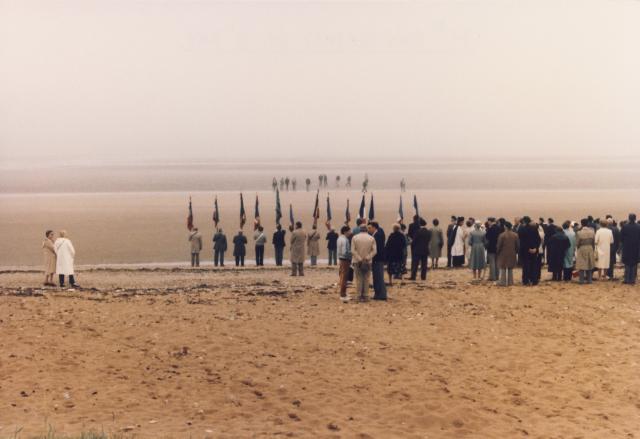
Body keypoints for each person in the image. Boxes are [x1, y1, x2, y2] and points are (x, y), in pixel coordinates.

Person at [351, 225, 377, 301]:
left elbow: (353, 250)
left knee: (358, 278)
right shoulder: (371, 238)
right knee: (366, 278)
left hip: (357, 261)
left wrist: (359, 259)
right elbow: (375, 251)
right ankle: (366, 295)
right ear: (367, 230)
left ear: (360, 230)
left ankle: (359, 295)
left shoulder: (355, 237)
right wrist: (367, 258)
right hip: (368, 261)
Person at [518, 217, 542, 285]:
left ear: (524, 222)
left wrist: (528, 248)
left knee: (526, 266)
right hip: (534, 250)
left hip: (525, 251)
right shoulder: (534, 228)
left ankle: (526, 281)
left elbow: (523, 241)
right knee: (533, 265)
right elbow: (538, 239)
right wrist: (535, 248)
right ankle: (534, 280)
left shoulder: (522, 229)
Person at [368, 221, 387, 300]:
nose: (369, 229)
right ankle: (378, 294)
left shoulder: (377, 235)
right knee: (377, 277)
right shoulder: (378, 233)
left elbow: (377, 249)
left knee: (378, 277)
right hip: (378, 259)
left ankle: (381, 295)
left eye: (370, 228)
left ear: (374, 227)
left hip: (378, 259)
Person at [496, 222, 518, 286]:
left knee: (503, 268)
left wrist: (497, 251)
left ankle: (502, 282)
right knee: (510, 268)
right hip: (512, 253)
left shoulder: (502, 235)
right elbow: (517, 245)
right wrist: (516, 251)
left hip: (503, 253)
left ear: (505, 227)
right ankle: (510, 282)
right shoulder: (515, 235)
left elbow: (499, 245)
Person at [620, 213, 640, 285]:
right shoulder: (638, 227)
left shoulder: (625, 226)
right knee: (634, 263)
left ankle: (627, 279)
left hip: (627, 247)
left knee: (627, 263)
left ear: (629, 218)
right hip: (636, 247)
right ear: (635, 218)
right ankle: (632, 280)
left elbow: (621, 238)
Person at [575, 219, 596, 284]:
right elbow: (593, 242)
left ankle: (581, 280)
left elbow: (577, 243)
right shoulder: (592, 232)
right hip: (590, 247)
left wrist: (578, 247)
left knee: (582, 264)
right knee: (589, 264)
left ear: (582, 224)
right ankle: (589, 280)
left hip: (582, 248)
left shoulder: (579, 233)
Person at [337, 226, 353, 302]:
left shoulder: (339, 238)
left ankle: (343, 293)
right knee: (344, 277)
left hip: (341, 258)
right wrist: (352, 254)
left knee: (342, 276)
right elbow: (345, 251)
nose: (350, 232)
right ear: (345, 232)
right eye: (349, 231)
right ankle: (343, 294)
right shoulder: (345, 240)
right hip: (345, 259)